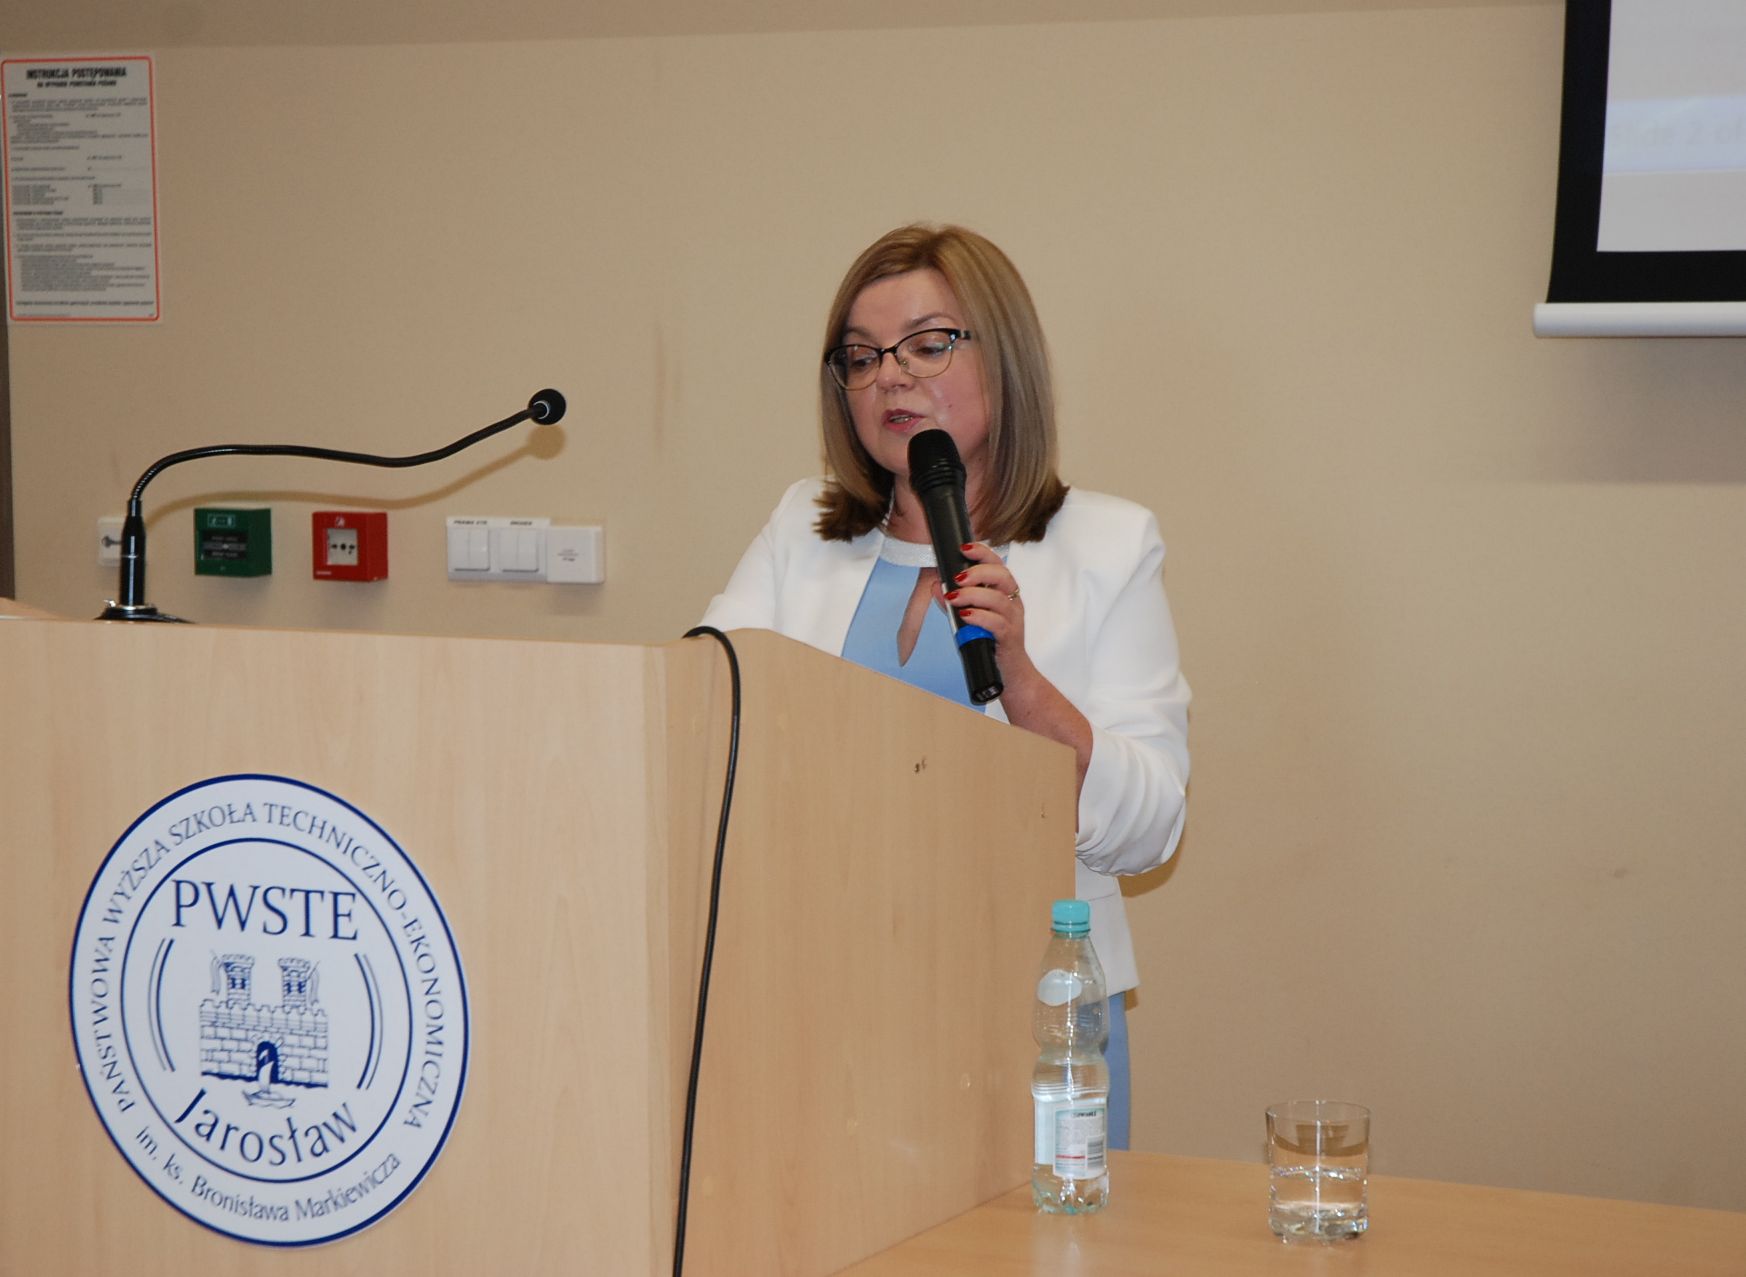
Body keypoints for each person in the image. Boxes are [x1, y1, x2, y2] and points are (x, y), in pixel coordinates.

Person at [701, 223, 1190, 1149]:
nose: (891, 377)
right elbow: (707, 705)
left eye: (927, 345)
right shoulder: (801, 533)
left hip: (1032, 1013)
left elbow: (1152, 827)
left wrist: (1022, 680)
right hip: (819, 1000)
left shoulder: (1108, 545)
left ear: (1003, 358)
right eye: (862, 356)